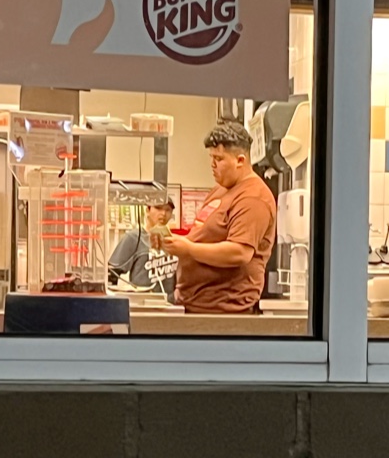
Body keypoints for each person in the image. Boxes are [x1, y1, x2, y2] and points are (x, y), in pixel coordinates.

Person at [160, 121, 276, 314]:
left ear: (240, 161)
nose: (212, 165)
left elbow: (240, 252)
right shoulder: (220, 190)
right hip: (195, 304)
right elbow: (203, 236)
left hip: (224, 311)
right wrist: (173, 242)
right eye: (211, 157)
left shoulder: (253, 198)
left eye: (219, 159)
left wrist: (189, 249)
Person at [107, 200, 176, 293]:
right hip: (144, 299)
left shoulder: (175, 241)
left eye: (168, 210)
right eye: (158, 208)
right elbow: (112, 273)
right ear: (148, 209)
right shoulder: (134, 238)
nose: (163, 213)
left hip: (170, 301)